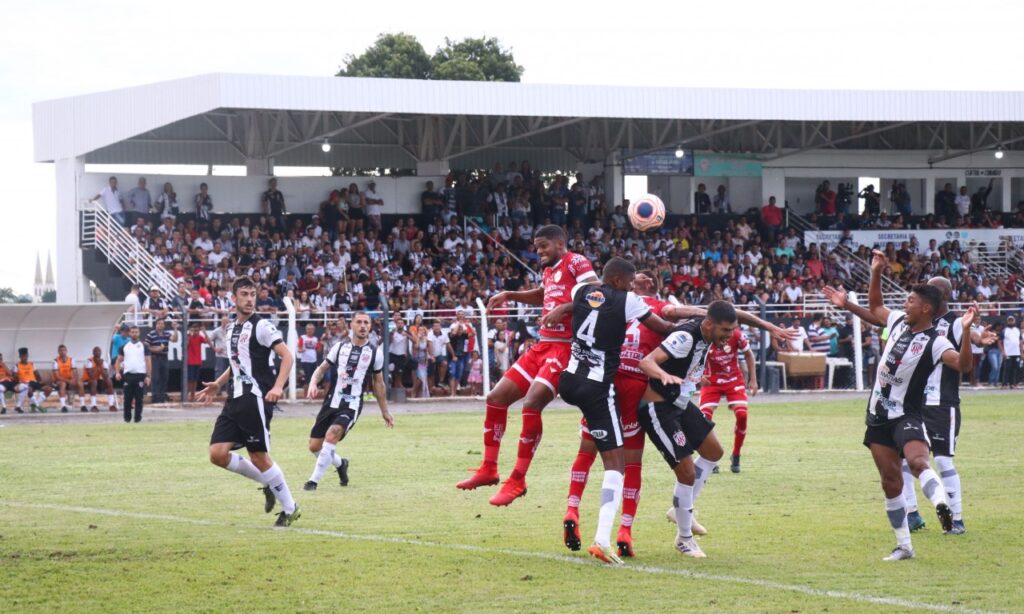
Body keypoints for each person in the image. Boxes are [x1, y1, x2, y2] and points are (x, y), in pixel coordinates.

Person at [825, 274, 995, 538]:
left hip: (940, 402)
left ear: (939, 299)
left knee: (939, 459)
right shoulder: (903, 322)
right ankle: (913, 514)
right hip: (905, 405)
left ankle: (956, 518)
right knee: (903, 462)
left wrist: (973, 336)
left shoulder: (950, 326)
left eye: (916, 298)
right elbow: (876, 312)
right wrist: (849, 302)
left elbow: (965, 355)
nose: (907, 303)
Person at [457, 225, 600, 507]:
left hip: (566, 348)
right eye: (536, 247)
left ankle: (518, 479)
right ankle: (489, 469)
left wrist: (566, 308)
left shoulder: (577, 262)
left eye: (543, 246)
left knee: (531, 404)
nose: (539, 251)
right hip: (542, 345)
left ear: (560, 244)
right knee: (496, 398)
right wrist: (510, 294)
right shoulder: (550, 270)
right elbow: (543, 295)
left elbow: (597, 294)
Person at [637, 302, 793, 558]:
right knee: (686, 472)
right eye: (725, 331)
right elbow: (647, 362)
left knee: (713, 451)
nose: (729, 336)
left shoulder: (711, 325)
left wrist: (766, 325)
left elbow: (735, 313)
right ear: (709, 325)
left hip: (680, 401)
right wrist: (663, 375)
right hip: (658, 407)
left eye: (732, 331)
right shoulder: (685, 337)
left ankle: (680, 511)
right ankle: (684, 539)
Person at [557, 257, 680, 564]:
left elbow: (576, 306)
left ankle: (572, 508)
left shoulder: (581, 291)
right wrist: (692, 331)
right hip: (605, 388)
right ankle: (608, 537)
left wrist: (559, 309)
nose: (629, 286)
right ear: (617, 281)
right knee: (618, 464)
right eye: (627, 282)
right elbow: (663, 326)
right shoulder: (630, 301)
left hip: (570, 381)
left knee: (588, 449)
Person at [854, 251, 975, 560]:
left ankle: (941, 505)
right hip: (877, 416)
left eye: (909, 301)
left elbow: (963, 365)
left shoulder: (936, 340)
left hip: (906, 415)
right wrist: (876, 272)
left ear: (925, 308)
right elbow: (876, 307)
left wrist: (967, 334)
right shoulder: (897, 323)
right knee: (890, 481)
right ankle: (905, 546)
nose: (904, 304)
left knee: (919, 462)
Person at [195, 276, 300, 527]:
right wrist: (218, 384)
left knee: (259, 456)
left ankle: (290, 508)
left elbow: (287, 356)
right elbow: (236, 363)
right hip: (234, 398)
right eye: (244, 294)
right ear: (234, 299)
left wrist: (277, 386)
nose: (250, 299)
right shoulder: (231, 329)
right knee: (217, 454)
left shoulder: (262, 326)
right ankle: (268, 483)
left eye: (253, 294)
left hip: (255, 397)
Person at [303, 312, 393, 491]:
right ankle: (341, 464)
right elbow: (321, 369)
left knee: (333, 433)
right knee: (314, 446)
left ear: (370, 326)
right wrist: (313, 383)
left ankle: (313, 481)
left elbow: (379, 384)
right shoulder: (339, 347)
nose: (362, 326)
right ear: (351, 325)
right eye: (358, 322)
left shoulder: (375, 353)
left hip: (351, 404)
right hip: (331, 401)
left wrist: (385, 411)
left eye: (366, 323)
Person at [698, 326, 757, 473]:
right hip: (711, 381)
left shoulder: (736, 335)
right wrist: (698, 375)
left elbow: (749, 354)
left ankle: (736, 454)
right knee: (703, 419)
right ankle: (711, 458)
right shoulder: (705, 335)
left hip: (733, 380)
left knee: (742, 415)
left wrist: (753, 380)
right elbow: (693, 358)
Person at [113, 326, 151, 423]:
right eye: (132, 332)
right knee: (127, 398)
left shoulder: (144, 345)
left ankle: (137, 419)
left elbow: (148, 361)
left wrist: (148, 376)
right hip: (128, 375)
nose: (134, 334)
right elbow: (118, 360)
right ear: (130, 333)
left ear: (139, 333)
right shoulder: (124, 346)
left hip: (140, 375)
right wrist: (117, 372)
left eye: (136, 332)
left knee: (139, 398)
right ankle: (127, 419)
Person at [145, 318, 176, 403]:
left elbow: (174, 339)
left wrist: (175, 329)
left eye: (162, 323)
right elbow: (147, 347)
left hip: (164, 357)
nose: (160, 325)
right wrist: (157, 349)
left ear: (164, 325)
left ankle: (162, 395)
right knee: (155, 377)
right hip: (155, 358)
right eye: (159, 323)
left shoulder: (167, 334)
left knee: (164, 377)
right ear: (156, 324)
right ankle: (155, 396)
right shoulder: (151, 334)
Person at [81, 347, 118, 413]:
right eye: (96, 351)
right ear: (93, 353)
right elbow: (91, 376)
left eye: (99, 351)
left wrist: (100, 366)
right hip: (87, 381)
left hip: (98, 381)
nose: (98, 353)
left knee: (109, 381)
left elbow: (106, 376)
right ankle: (93, 405)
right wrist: (98, 365)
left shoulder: (103, 362)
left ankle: (111, 405)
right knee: (94, 382)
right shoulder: (89, 361)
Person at [52, 344, 86, 413]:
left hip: (70, 380)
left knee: (80, 383)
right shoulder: (55, 361)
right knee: (63, 384)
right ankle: (63, 406)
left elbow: (75, 372)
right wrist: (69, 381)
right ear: (58, 352)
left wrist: (74, 380)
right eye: (61, 350)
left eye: (64, 350)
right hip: (59, 380)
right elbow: (57, 376)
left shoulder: (71, 360)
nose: (62, 352)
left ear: (66, 351)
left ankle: (83, 405)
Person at [14, 348, 50, 413]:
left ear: (27, 356)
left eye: (25, 356)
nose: (24, 357)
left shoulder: (31, 364)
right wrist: (19, 381)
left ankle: (35, 404)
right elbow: (14, 377)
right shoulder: (17, 365)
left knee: (49, 389)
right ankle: (38, 406)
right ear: (20, 357)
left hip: (33, 382)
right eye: (22, 356)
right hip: (24, 383)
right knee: (29, 389)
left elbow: (37, 374)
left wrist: (40, 381)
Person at [186, 323, 209, 402]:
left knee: (195, 380)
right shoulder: (189, 337)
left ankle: (193, 395)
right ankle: (189, 395)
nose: (195, 332)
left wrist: (205, 332)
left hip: (198, 361)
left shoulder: (200, 337)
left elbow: (208, 342)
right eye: (194, 330)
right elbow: (186, 346)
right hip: (190, 361)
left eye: (197, 330)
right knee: (190, 379)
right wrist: (189, 336)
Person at [297, 324, 321, 394]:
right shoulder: (303, 337)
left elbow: (319, 350)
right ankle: (306, 394)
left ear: (314, 330)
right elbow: (299, 349)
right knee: (307, 378)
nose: (310, 331)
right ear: (306, 330)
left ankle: (311, 393)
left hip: (313, 361)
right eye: (308, 329)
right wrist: (302, 350)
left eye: (312, 329)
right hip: (305, 361)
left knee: (313, 378)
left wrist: (320, 344)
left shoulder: (315, 339)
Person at [1001, 315, 1021, 389]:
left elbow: (1021, 342)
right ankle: (1004, 384)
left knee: (1015, 369)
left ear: (1014, 321)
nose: (1010, 321)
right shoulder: (1004, 330)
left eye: (1011, 320)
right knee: (1007, 369)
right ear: (1007, 321)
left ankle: (1013, 384)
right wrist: (1003, 352)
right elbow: (1000, 342)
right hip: (1008, 353)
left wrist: (1021, 353)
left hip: (1017, 353)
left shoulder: (1017, 330)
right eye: (1009, 320)